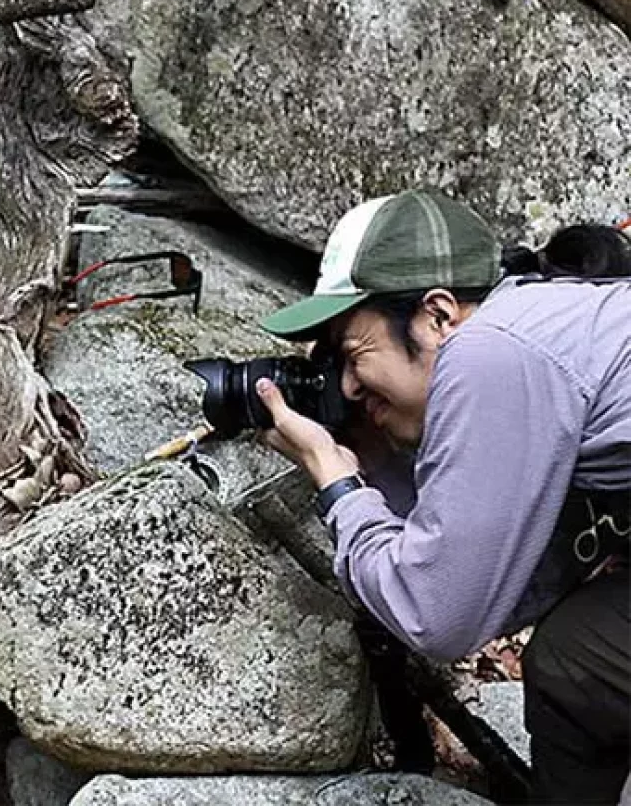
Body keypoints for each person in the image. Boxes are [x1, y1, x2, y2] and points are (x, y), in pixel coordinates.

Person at [252, 189, 631, 804]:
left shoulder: (493, 349)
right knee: (576, 663)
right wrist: (377, 466)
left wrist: (337, 482)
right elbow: (506, 584)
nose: (347, 388)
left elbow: (438, 615)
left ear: (437, 314)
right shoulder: (545, 329)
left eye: (352, 353)